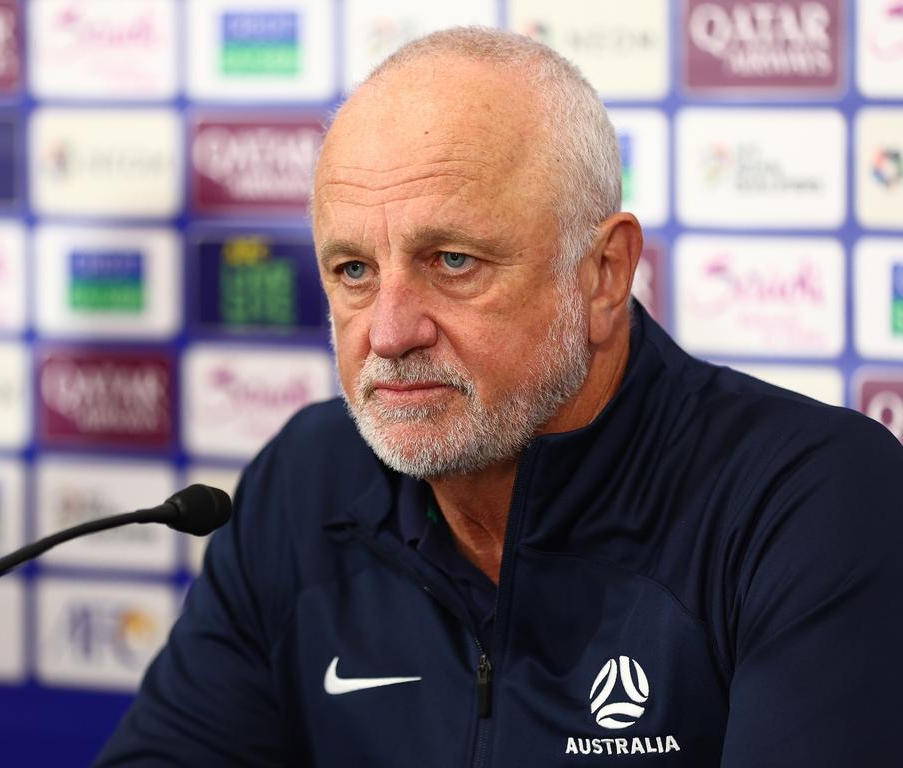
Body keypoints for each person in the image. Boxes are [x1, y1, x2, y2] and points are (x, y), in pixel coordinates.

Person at [96, 27, 903, 766]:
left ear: (603, 274)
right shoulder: (303, 482)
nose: (389, 331)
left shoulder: (809, 500)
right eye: (353, 271)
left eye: (451, 261)